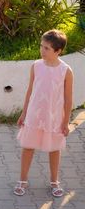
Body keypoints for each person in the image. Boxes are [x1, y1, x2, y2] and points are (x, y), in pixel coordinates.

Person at [14, 29, 74, 198]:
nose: (42, 50)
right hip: (34, 115)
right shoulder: (36, 66)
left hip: (54, 117)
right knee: (28, 146)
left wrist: (66, 122)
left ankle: (54, 181)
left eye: (46, 48)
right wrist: (24, 113)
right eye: (41, 46)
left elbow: (68, 100)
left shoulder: (66, 71)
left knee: (54, 148)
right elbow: (30, 90)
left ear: (58, 51)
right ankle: (22, 180)